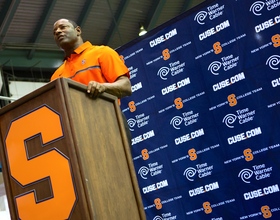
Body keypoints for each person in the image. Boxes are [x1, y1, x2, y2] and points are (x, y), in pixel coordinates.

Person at [51, 18, 132, 144]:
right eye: (55, 31)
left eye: (63, 27)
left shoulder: (102, 52)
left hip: (108, 120)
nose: (58, 32)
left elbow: (126, 86)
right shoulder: (56, 75)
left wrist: (103, 87)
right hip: (76, 132)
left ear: (78, 30)